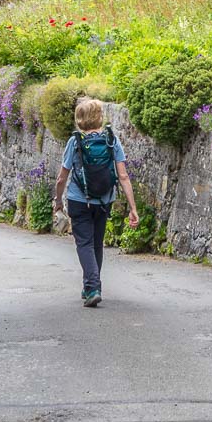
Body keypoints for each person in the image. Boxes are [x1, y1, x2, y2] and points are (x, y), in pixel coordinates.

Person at [52, 98, 139, 307]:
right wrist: (133, 208)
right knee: (96, 243)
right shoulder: (111, 139)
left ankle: (92, 287)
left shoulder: (75, 142)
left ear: (79, 120)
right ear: (99, 117)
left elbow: (62, 178)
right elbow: (124, 176)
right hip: (104, 200)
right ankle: (90, 285)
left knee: (84, 243)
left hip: (78, 199)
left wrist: (58, 201)